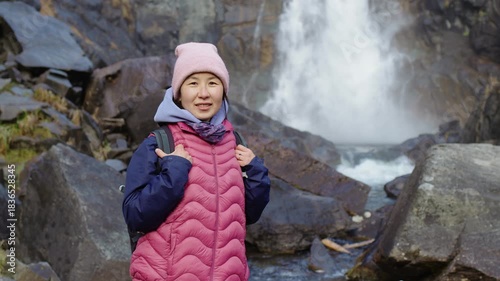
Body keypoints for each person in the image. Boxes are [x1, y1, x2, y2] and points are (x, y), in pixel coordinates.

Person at [122, 42, 271, 281]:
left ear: (223, 90)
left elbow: (248, 216)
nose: (203, 93)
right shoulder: (159, 143)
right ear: (179, 93)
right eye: (193, 83)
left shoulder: (235, 143)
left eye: (213, 83)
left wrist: (256, 173)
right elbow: (135, 215)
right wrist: (174, 172)